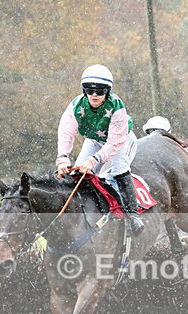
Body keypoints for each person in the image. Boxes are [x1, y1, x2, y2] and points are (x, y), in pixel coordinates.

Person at [55, 64, 143, 236]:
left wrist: (94, 160)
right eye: (89, 90)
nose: (94, 95)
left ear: (108, 91)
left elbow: (114, 143)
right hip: (95, 140)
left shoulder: (117, 107)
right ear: (84, 90)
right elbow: (66, 132)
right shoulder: (75, 105)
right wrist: (63, 158)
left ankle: (133, 215)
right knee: (78, 176)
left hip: (121, 141)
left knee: (119, 169)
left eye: (100, 91)